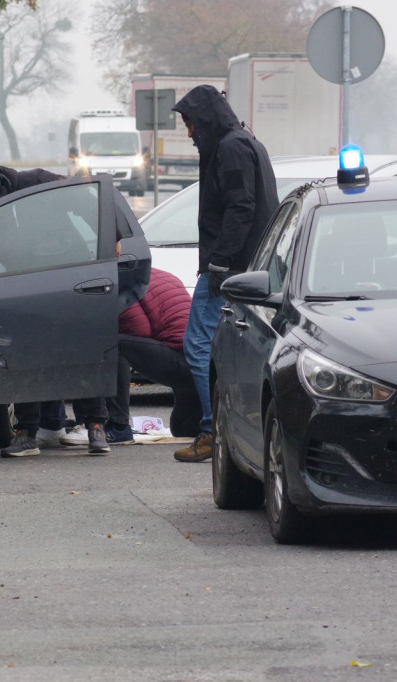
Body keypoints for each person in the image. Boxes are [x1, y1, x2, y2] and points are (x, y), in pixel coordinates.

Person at [0, 164, 113, 457]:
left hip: (71, 278)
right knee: (25, 355)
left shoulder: (38, 183)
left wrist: (113, 243)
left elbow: (89, 204)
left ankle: (95, 427)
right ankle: (27, 432)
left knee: (82, 351)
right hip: (25, 286)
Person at [170, 84, 277, 462]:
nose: (189, 133)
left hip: (229, 268)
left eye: (190, 124)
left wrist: (219, 263)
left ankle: (210, 429)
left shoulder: (230, 148)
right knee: (234, 349)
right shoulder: (243, 142)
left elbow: (240, 208)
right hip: (246, 266)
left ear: (206, 120)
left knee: (198, 345)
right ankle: (227, 429)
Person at [105, 267, 200, 442]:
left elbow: (139, 330)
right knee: (183, 430)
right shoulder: (164, 275)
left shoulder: (122, 282)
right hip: (196, 363)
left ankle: (119, 426)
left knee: (113, 343)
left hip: (179, 360)